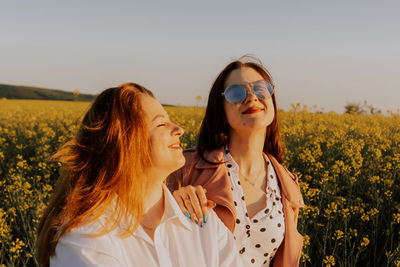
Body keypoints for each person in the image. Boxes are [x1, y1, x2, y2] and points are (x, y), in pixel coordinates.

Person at [36, 83, 243, 267]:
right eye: (161, 123)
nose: (179, 129)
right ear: (124, 142)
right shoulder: (83, 236)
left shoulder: (202, 222)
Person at [168, 57, 305, 266]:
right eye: (236, 93)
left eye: (261, 89)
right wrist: (169, 205)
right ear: (221, 109)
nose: (251, 97)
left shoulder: (286, 185)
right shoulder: (185, 168)